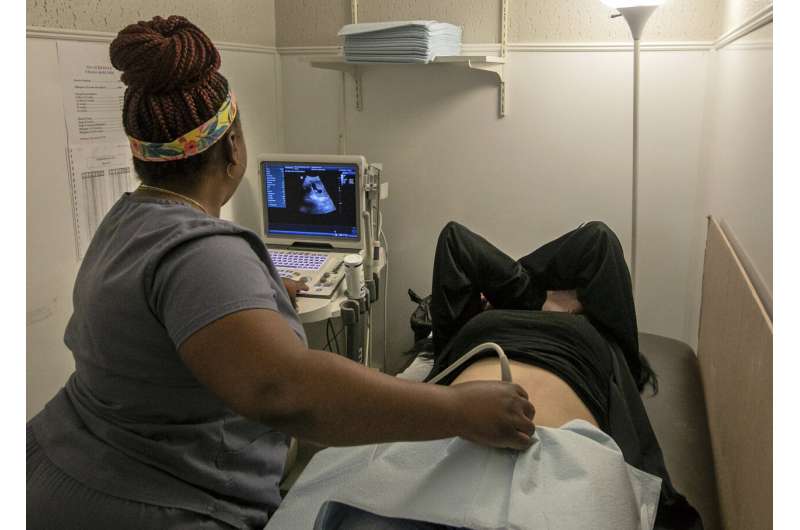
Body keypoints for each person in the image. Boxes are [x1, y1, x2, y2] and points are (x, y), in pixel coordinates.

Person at [26, 17, 535, 530]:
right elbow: (285, 392)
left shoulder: (126, 224)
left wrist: (257, 295)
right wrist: (458, 410)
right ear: (232, 148)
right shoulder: (202, 255)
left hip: (61, 464)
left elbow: (182, 325)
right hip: (145, 503)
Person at [421, 221, 703, 530]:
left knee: (598, 237)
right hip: (495, 341)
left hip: (557, 356)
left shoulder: (599, 338)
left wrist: (530, 298)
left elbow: (455, 242)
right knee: (596, 238)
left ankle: (530, 293)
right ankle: (531, 295)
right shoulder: (590, 334)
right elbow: (454, 240)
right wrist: (543, 302)